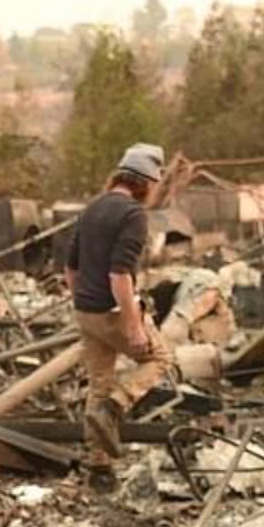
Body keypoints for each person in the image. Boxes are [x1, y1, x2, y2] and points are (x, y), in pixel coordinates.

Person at [64, 142, 174, 482]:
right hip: (113, 311)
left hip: (85, 311)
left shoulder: (92, 208)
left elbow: (71, 268)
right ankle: (115, 406)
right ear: (146, 183)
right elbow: (120, 274)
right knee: (160, 359)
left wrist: (84, 301)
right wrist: (133, 326)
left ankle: (99, 466)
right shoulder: (133, 215)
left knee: (98, 383)